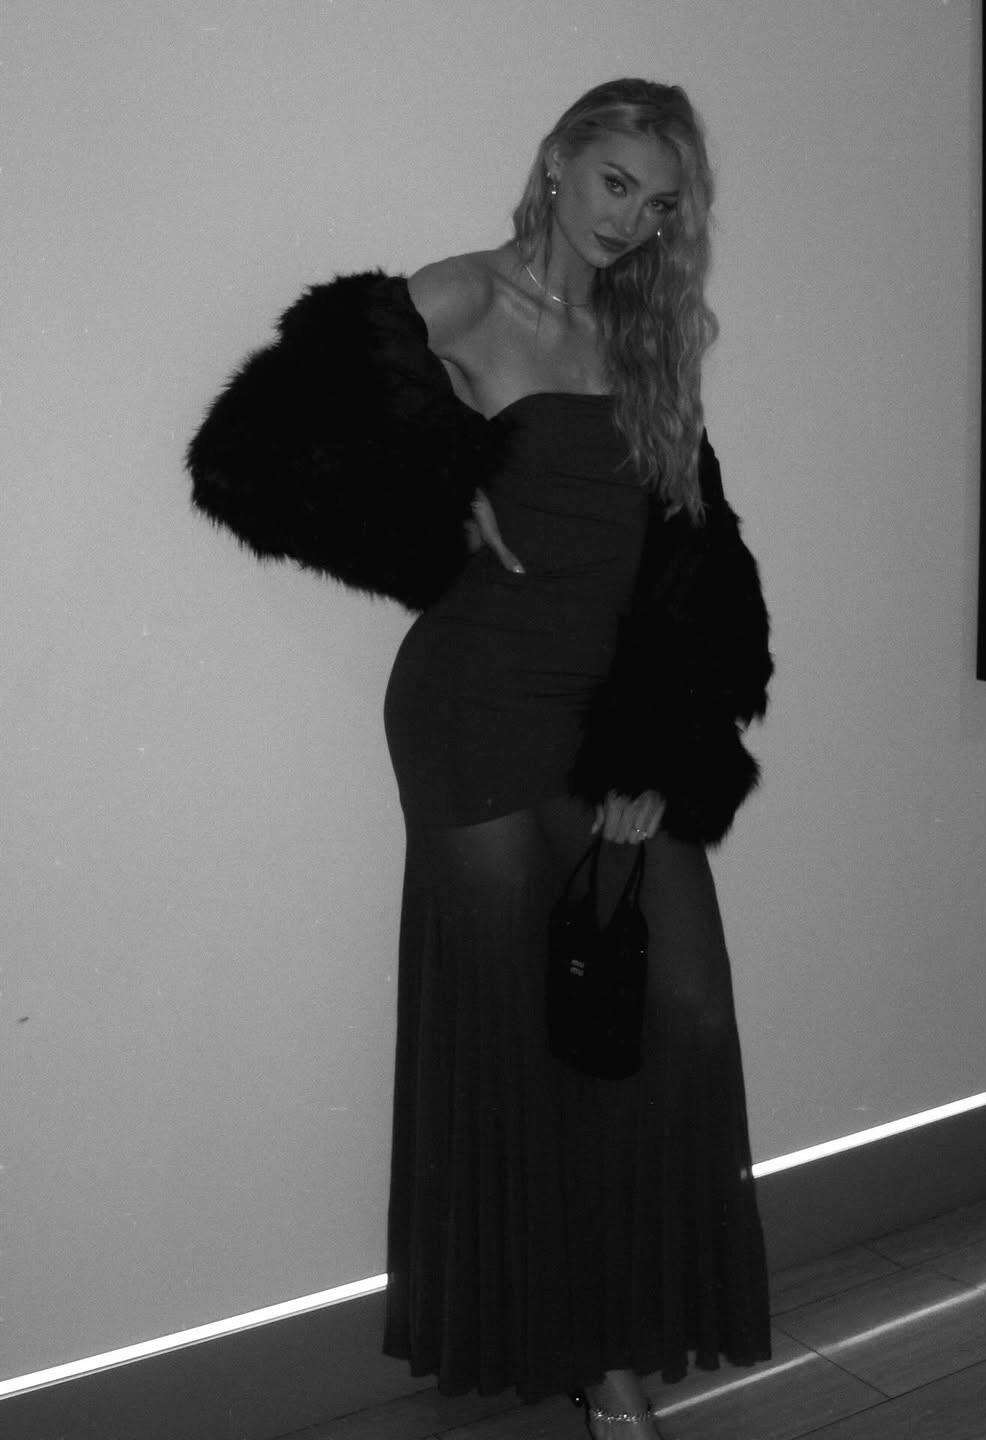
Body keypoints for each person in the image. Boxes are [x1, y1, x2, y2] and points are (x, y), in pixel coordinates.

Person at [187, 77, 773, 1440]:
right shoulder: (460, 299)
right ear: (559, 164)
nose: (633, 218)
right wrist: (434, 499)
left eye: (662, 202)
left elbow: (689, 561)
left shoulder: (652, 333)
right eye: (616, 181)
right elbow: (246, 451)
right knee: (523, 1036)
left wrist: (658, 746)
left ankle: (617, 1324)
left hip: (608, 716)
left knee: (681, 1012)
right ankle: (598, 1359)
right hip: (474, 708)